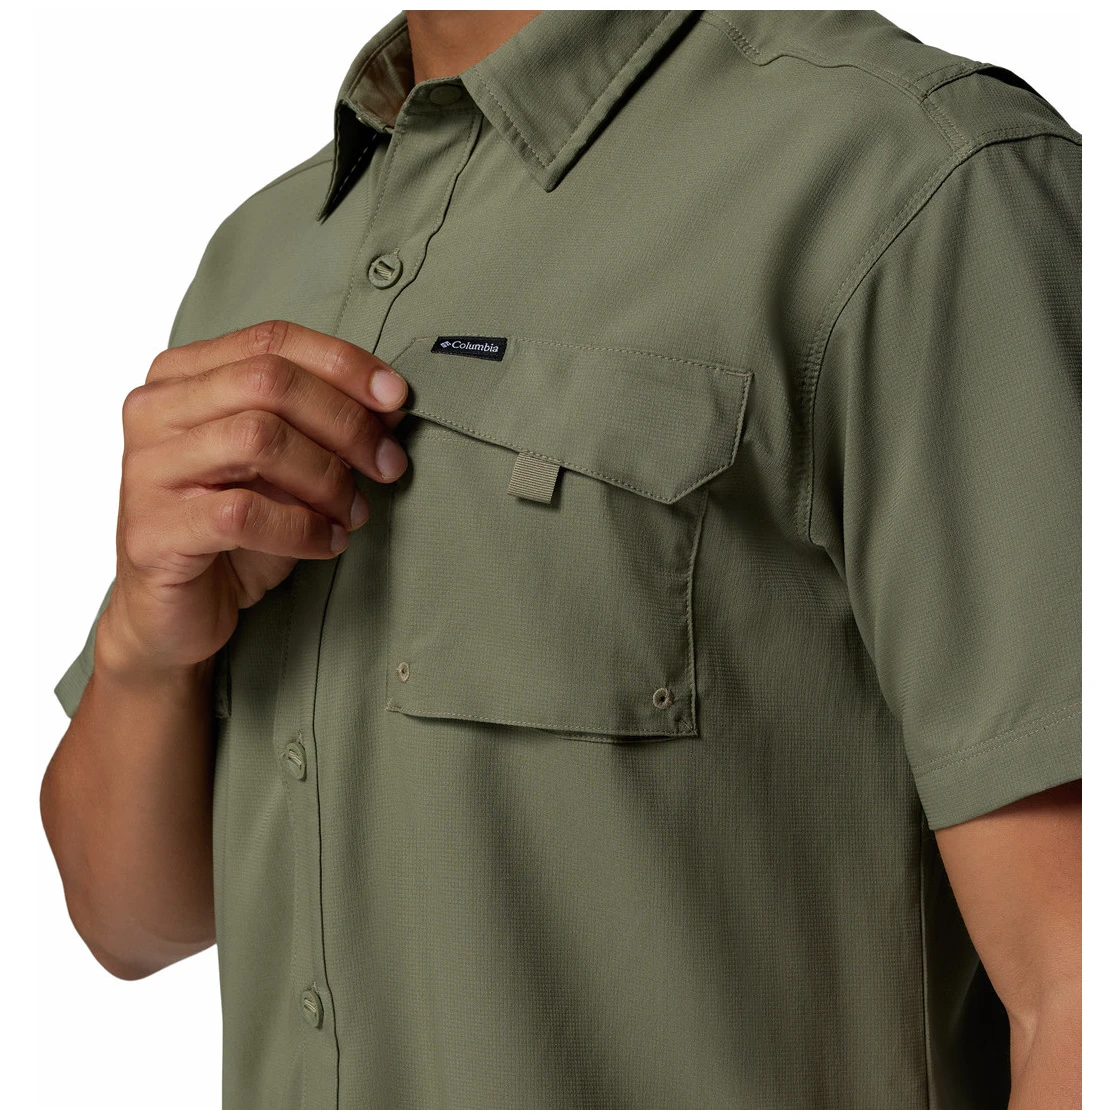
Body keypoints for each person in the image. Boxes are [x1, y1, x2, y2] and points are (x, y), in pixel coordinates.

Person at [40, 8, 1081, 1110]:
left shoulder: (908, 179)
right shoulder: (262, 252)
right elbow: (129, 921)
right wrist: (143, 644)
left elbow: (1075, 987)